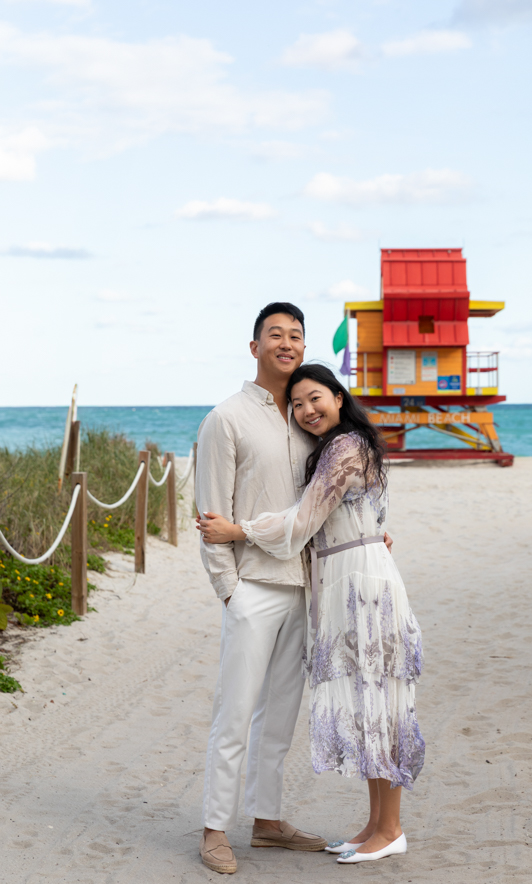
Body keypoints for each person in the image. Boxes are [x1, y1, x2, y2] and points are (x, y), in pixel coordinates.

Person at [199, 363, 425, 866]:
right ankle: (375, 826)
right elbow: (365, 514)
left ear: (339, 397)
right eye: (298, 403)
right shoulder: (326, 443)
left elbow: (304, 518)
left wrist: (238, 532)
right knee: (370, 702)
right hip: (342, 576)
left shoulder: (343, 448)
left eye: (316, 398)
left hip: (359, 580)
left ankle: (389, 829)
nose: (306, 410)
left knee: (379, 702)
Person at [194, 303, 329, 875]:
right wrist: (229, 589)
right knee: (236, 712)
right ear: (255, 347)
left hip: (302, 587)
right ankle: (213, 829)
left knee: (280, 714)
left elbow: (322, 503)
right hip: (251, 586)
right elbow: (209, 512)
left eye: (296, 335)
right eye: (275, 334)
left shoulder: (307, 415)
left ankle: (268, 822)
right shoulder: (226, 418)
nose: (287, 343)